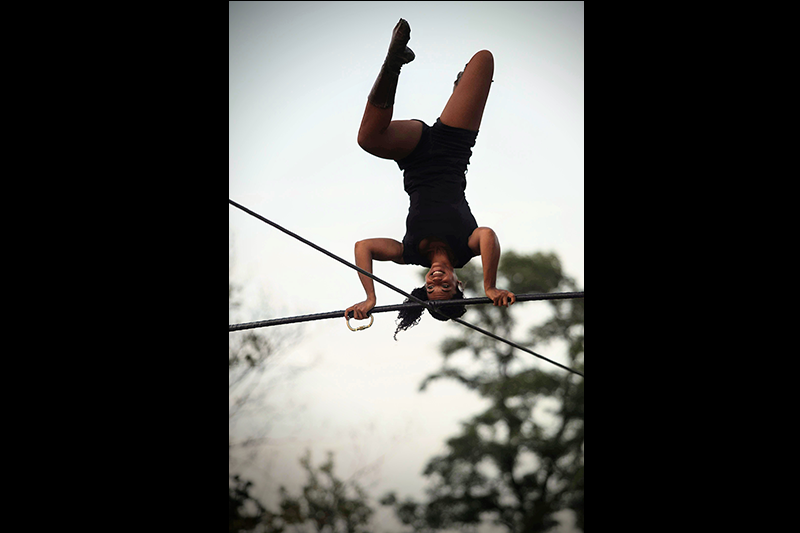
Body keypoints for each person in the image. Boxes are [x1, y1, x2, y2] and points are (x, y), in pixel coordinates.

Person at [345, 18, 515, 339]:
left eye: (431, 287)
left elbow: (363, 246)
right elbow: (488, 235)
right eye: (445, 286)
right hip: (453, 145)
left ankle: (394, 62)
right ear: (458, 284)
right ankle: (459, 90)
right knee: (484, 59)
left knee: (369, 139)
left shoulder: (409, 252)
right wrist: (490, 286)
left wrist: (370, 296)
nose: (437, 279)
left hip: (414, 154)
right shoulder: (466, 248)